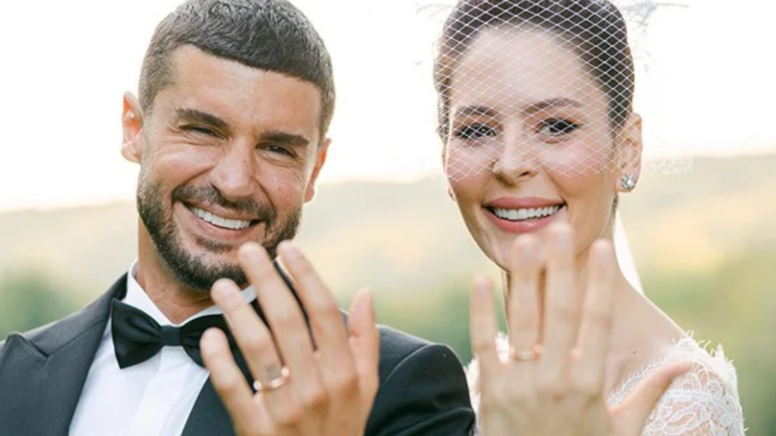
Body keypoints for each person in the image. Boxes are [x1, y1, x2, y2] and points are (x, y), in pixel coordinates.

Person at [0, 0, 475, 435]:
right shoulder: (10, 372)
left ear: (314, 170)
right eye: (202, 130)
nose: (234, 182)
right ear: (135, 129)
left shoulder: (398, 387)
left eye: (276, 149)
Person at [432, 0, 745, 434]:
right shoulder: (477, 380)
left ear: (627, 150)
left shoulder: (685, 405)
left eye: (556, 126)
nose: (510, 163)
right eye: (476, 130)